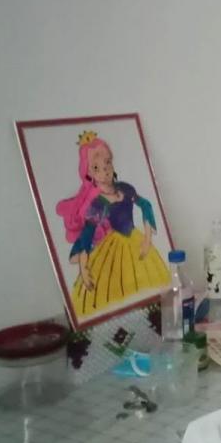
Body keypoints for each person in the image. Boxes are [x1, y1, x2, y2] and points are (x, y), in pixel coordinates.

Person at [55, 130, 169, 318]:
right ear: (89, 173)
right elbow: (87, 235)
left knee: (149, 281)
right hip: (112, 249)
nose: (105, 170)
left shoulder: (125, 188)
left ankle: (149, 315)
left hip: (135, 239)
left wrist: (148, 239)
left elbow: (146, 205)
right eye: (97, 167)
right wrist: (84, 268)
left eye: (107, 162)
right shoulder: (97, 203)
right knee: (113, 288)